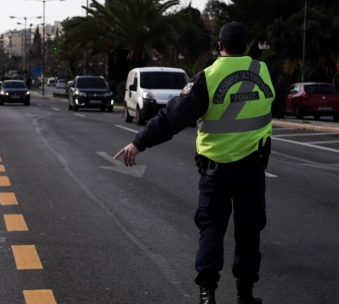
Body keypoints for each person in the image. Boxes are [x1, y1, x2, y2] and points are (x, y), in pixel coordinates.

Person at [114, 22, 275, 304]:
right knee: (249, 232)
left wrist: (139, 142)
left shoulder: (207, 78)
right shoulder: (265, 72)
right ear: (247, 46)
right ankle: (246, 295)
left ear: (220, 46)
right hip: (253, 169)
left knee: (212, 229)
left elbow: (172, 118)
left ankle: (207, 295)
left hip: (216, 171)